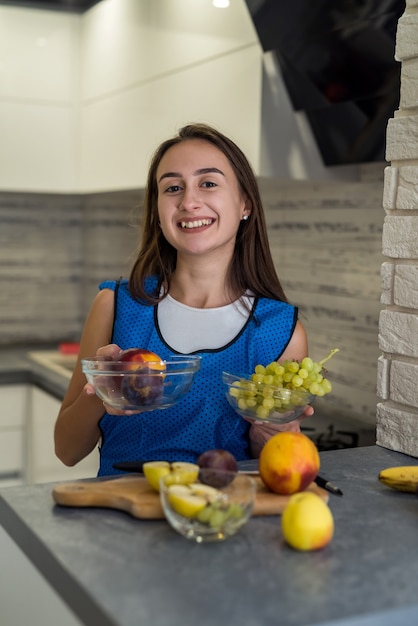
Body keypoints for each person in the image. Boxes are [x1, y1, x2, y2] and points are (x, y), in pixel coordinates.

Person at [54, 123, 313, 477]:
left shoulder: (278, 331)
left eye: (208, 183)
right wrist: (100, 391)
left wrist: (275, 433)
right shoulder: (115, 305)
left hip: (218, 517)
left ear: (245, 203)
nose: (189, 202)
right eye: (173, 188)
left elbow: (264, 463)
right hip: (118, 520)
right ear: (159, 212)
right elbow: (66, 451)